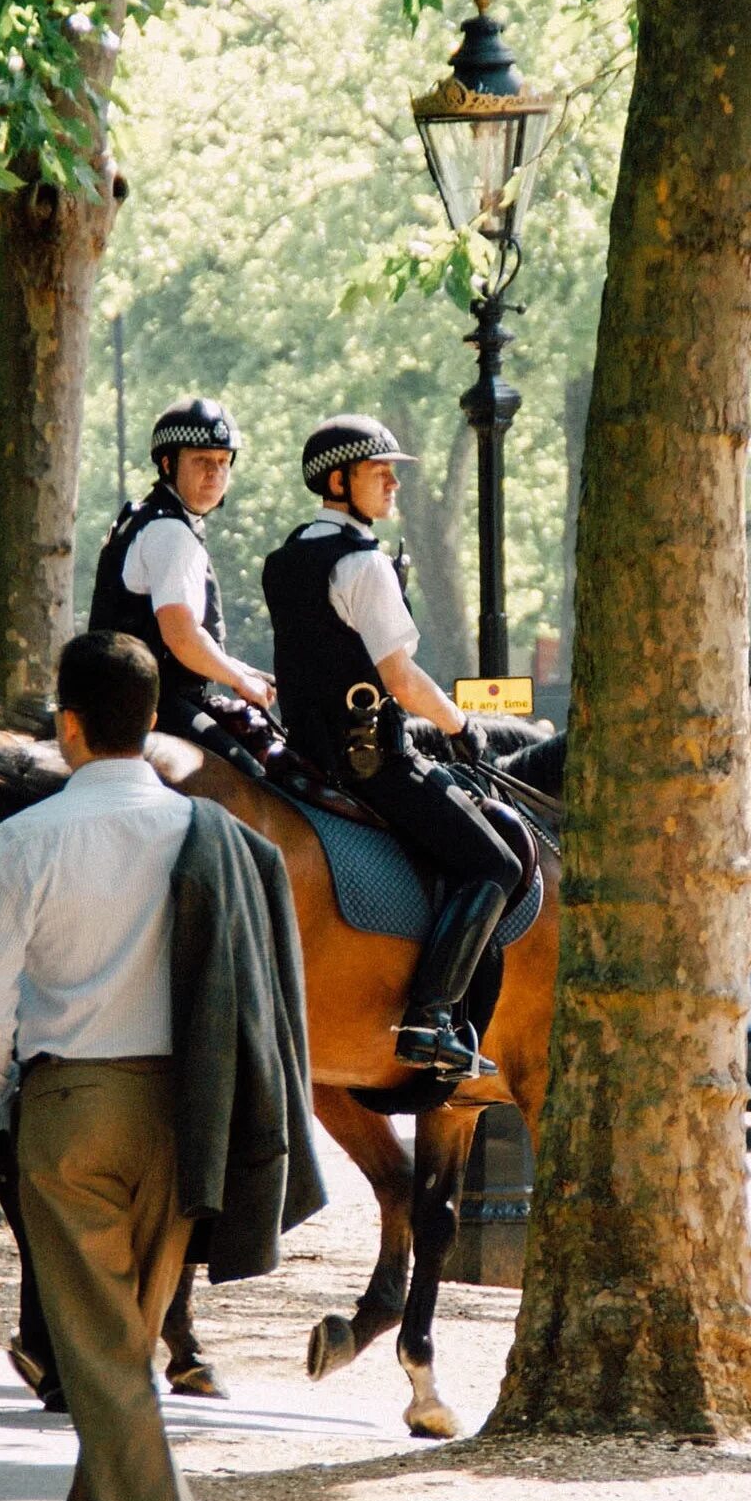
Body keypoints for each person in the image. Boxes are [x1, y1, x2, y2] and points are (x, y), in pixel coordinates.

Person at [0, 633, 220, 1501]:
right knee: (121, 1355)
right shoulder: (201, 828)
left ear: (66, 723)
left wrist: (3, 1102)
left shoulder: (27, 838)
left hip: (68, 1103)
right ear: (151, 719)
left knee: (103, 1363)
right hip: (182, 1110)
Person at [262, 414, 523, 1078]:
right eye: (380, 474)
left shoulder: (289, 556)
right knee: (494, 863)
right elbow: (400, 678)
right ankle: (431, 1016)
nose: (392, 486)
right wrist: (463, 727)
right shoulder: (362, 563)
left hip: (304, 755)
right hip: (373, 763)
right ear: (338, 479)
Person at [87, 398, 274, 754]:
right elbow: (181, 637)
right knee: (256, 774)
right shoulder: (171, 533)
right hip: (153, 705)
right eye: (201, 461)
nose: (214, 473)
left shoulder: (144, 517)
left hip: (120, 696)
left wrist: (241, 671)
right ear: (168, 463)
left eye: (223, 462)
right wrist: (238, 681)